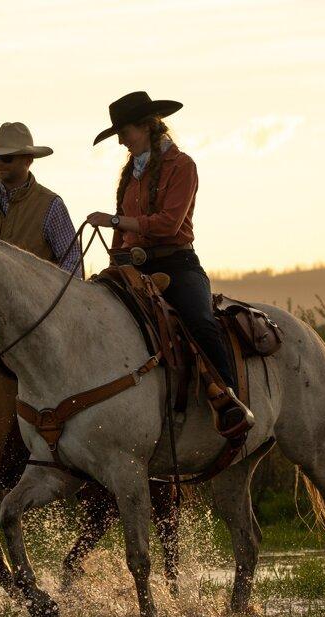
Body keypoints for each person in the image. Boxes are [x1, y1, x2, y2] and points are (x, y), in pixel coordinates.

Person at [85, 92, 254, 436]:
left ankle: (228, 398)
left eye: (125, 132)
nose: (120, 140)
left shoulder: (183, 166)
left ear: (147, 126)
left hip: (176, 264)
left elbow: (167, 224)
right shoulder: (132, 173)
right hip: (133, 267)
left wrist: (115, 222)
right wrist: (115, 260)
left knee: (200, 320)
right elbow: (124, 231)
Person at [0, 122, 83, 277]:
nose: (0, 163)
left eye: (7, 157)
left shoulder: (51, 205)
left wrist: (49, 297)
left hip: (38, 301)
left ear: (28, 160)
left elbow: (72, 261)